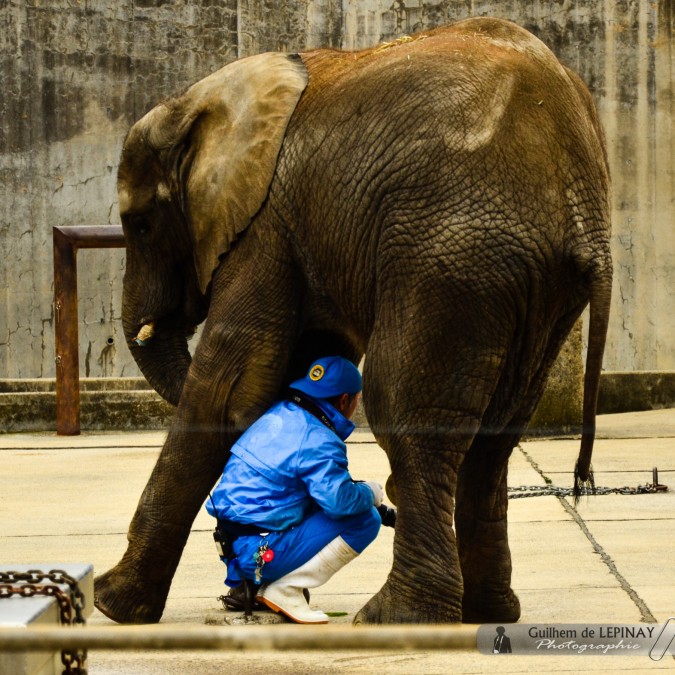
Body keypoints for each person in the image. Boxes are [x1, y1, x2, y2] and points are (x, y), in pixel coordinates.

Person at [206, 356, 385, 624]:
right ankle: (284, 589)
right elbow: (339, 503)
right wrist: (371, 493)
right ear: (345, 400)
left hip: (234, 548)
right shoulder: (319, 438)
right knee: (366, 520)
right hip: (258, 554)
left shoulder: (281, 414)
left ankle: (255, 586)